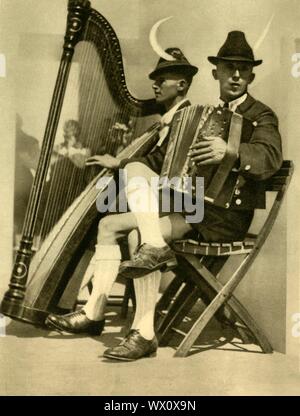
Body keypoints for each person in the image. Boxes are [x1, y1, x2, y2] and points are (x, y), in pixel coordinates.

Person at [45, 48, 199, 360]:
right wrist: (121, 162)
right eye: (154, 79)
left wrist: (124, 164)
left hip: (188, 206)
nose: (155, 85)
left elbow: (174, 171)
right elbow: (156, 162)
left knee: (138, 233)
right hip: (168, 200)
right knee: (106, 224)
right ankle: (93, 313)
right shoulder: (166, 122)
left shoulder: (190, 118)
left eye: (162, 79)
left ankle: (144, 333)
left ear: (182, 84)